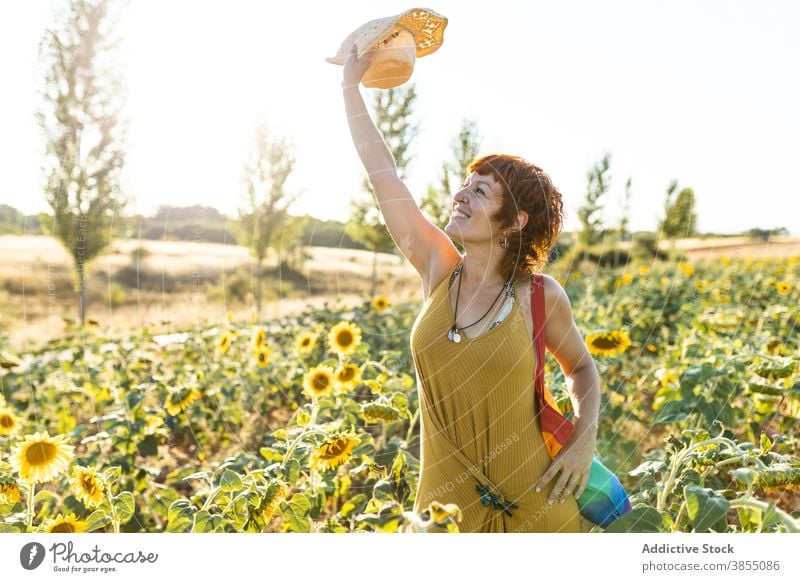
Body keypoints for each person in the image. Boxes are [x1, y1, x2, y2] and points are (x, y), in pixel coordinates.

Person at [341, 45, 601, 532]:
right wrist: (350, 89)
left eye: (480, 190)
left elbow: (582, 367)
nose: (460, 194)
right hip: (444, 514)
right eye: (465, 183)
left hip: (539, 510)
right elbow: (383, 175)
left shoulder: (540, 297)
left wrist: (583, 438)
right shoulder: (438, 268)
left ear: (515, 221)